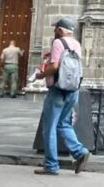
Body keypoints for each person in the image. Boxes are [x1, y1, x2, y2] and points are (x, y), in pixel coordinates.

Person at [34, 17, 90, 176]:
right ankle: (80, 152)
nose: (54, 32)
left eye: (55, 29)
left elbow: (55, 66)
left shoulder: (58, 43)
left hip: (58, 89)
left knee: (49, 127)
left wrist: (41, 75)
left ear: (60, 30)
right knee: (64, 123)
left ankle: (51, 165)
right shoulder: (77, 44)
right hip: (73, 90)